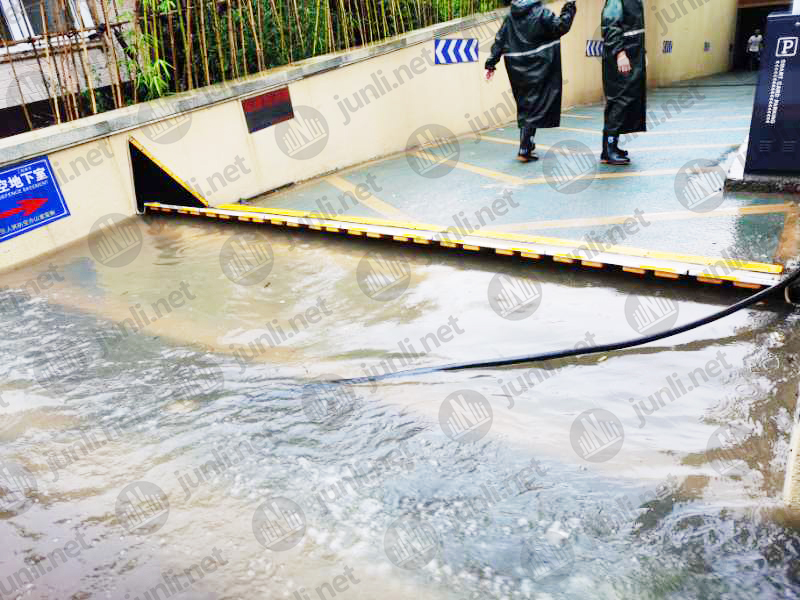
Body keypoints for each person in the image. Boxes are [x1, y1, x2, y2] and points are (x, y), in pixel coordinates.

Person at [484, 0, 577, 162]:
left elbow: (500, 39)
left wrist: (491, 63)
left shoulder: (511, 15)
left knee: (526, 106)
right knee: (535, 106)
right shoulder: (541, 12)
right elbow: (560, 27)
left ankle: (526, 144)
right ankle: (525, 147)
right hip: (540, 66)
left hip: (517, 68)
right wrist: (569, 6)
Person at [601, 0, 646, 166]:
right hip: (622, 57)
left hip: (632, 54)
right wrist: (620, 53)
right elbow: (610, 26)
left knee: (625, 100)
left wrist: (642, 52)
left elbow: (635, 29)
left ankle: (612, 147)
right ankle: (609, 149)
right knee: (618, 101)